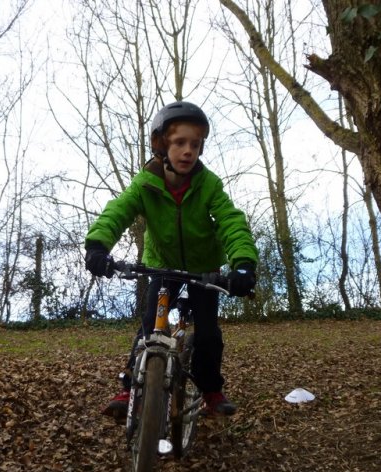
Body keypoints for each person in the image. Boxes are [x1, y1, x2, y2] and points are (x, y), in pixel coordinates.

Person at [84, 100, 258, 418]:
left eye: (195, 144)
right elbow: (119, 210)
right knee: (151, 326)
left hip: (204, 269)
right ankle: (129, 387)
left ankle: (211, 391)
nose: (188, 150)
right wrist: (98, 245)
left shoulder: (208, 185)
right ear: (162, 145)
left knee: (207, 333)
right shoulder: (146, 183)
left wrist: (243, 264)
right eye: (179, 143)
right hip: (163, 266)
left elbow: (231, 222)